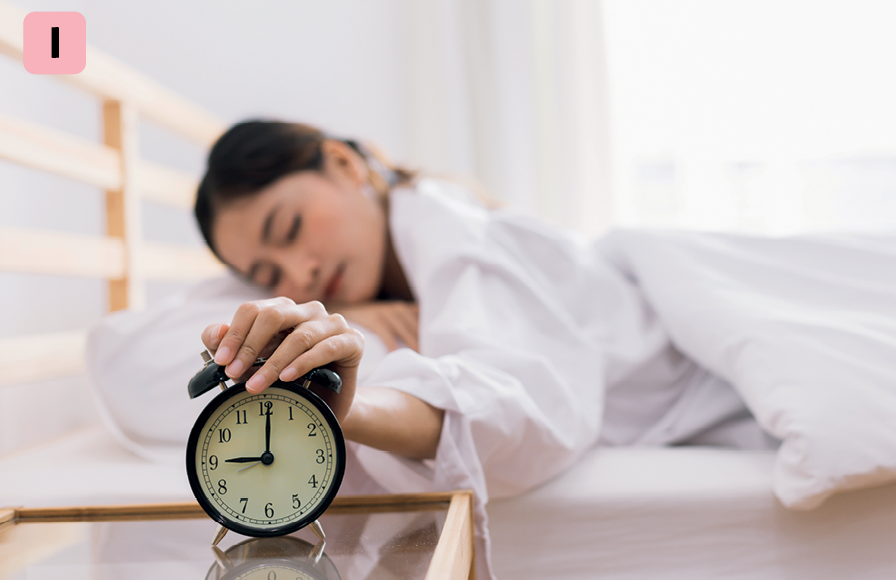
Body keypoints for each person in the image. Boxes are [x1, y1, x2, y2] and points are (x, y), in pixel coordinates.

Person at [87, 119, 896, 580]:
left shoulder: (455, 233)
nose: (297, 273)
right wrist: (345, 307)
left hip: (686, 355)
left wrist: (354, 408)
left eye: (291, 231)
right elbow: (121, 356)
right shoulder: (353, 286)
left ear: (343, 164)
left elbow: (519, 404)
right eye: (262, 271)